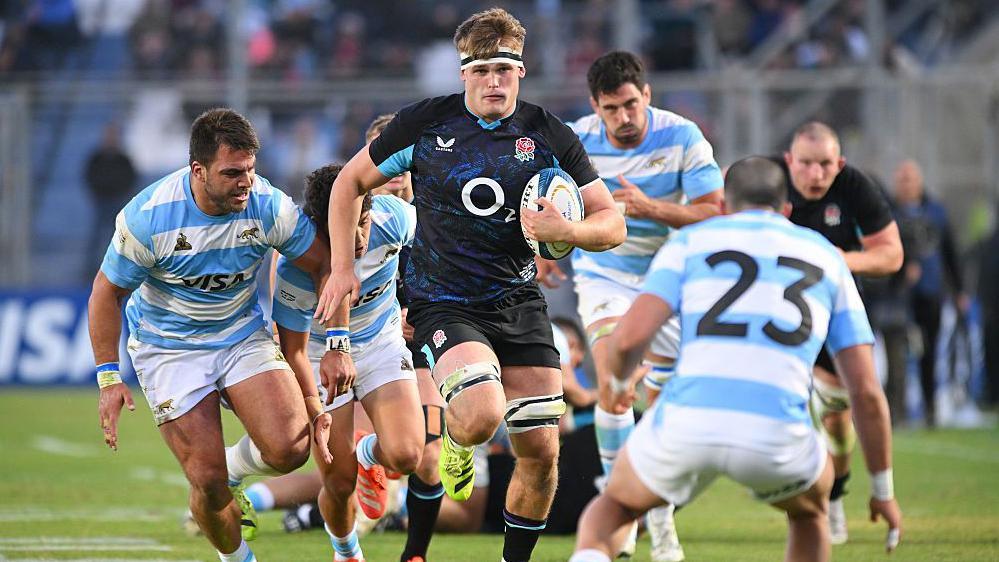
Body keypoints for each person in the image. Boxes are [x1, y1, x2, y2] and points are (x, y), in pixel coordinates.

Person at [316, 8, 627, 561]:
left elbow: (612, 222)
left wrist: (569, 229)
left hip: (519, 300)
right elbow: (348, 184)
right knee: (482, 416)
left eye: (504, 69)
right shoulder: (424, 125)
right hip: (444, 302)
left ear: (521, 72)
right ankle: (459, 439)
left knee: (540, 449)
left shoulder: (549, 134)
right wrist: (343, 266)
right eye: (481, 69)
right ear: (463, 72)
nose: (493, 80)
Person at [570, 156, 903, 562]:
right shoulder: (826, 256)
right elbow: (866, 392)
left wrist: (619, 386)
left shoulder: (689, 244)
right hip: (777, 431)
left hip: (689, 421)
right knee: (809, 512)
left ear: (724, 205)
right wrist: (882, 491)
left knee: (614, 506)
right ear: (786, 210)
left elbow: (626, 342)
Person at [89, 108, 333, 562]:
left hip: (240, 335)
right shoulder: (149, 218)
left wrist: (334, 341)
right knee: (207, 481)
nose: (246, 182)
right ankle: (237, 557)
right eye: (232, 173)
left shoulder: (267, 205)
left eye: (251, 170)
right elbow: (106, 295)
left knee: (290, 449)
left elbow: (321, 264)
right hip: (169, 349)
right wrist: (108, 378)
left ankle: (236, 468)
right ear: (198, 171)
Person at [565, 49, 723, 561]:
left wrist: (652, 208)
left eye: (631, 105)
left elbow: (714, 215)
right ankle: (624, 511)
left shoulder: (682, 136)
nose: (623, 118)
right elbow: (542, 201)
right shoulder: (575, 142)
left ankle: (656, 512)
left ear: (646, 95)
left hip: (671, 279)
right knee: (615, 382)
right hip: (604, 272)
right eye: (611, 109)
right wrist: (545, 249)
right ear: (595, 106)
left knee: (665, 412)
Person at [269, 164, 444, 562]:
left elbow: (437, 250)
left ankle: (368, 456)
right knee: (338, 481)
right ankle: (347, 553)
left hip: (381, 342)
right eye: (346, 227)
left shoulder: (394, 217)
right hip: (319, 358)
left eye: (363, 219)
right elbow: (293, 349)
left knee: (407, 455)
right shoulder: (297, 267)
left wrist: (419, 304)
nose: (360, 236)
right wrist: (313, 406)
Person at [772, 121, 903, 544]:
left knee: (839, 419)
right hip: (775, 314)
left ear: (839, 163)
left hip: (834, 310)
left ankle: (837, 495)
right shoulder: (767, 181)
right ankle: (813, 498)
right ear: (789, 161)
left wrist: (832, 260)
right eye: (806, 164)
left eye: (825, 164)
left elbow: (891, 255)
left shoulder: (854, 187)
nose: (816, 174)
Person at [891, 159, 968, 427]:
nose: (907, 184)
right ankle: (896, 410)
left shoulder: (936, 211)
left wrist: (959, 290)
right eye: (902, 179)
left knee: (930, 353)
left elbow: (950, 252)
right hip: (898, 297)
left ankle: (930, 408)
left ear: (920, 182)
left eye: (911, 178)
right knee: (897, 354)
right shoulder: (887, 213)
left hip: (930, 294)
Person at [85, 122, 137, 275]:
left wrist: (121, 192)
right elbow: (89, 176)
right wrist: (98, 192)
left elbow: (131, 177)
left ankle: (118, 269)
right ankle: (91, 271)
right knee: (97, 238)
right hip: (101, 202)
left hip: (118, 202)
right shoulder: (96, 158)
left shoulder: (123, 159)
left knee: (118, 238)